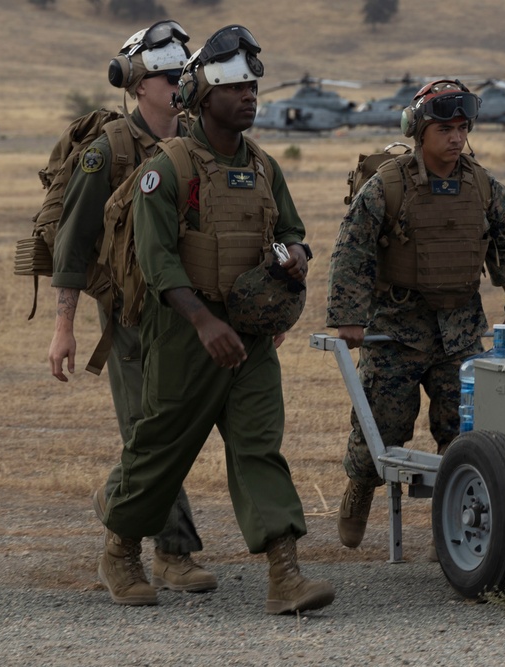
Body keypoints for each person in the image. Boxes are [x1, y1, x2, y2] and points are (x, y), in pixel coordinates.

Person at [96, 25, 334, 615]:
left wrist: (295, 259)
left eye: (253, 86)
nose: (249, 97)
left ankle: (285, 574)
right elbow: (156, 259)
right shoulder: (168, 167)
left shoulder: (263, 167)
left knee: (259, 447)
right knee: (161, 447)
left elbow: (291, 230)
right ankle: (121, 549)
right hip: (184, 331)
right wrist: (204, 322)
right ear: (202, 96)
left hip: (250, 335)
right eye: (234, 88)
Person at [47, 20, 218, 597]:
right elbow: (71, 245)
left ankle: (153, 536)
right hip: (127, 317)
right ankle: (141, 555)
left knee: (176, 428)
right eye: (169, 75)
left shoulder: (197, 142)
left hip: (187, 310)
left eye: (184, 75)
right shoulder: (109, 152)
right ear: (136, 83)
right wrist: (64, 326)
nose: (179, 84)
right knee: (149, 434)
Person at [326, 79, 505, 549]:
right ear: (419, 130)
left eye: (462, 128)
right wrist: (349, 318)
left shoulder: (483, 185)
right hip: (395, 331)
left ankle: (460, 526)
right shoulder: (389, 186)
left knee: (464, 436)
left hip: (459, 331)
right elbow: (351, 250)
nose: (456, 138)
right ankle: (360, 488)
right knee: (380, 430)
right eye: (445, 129)